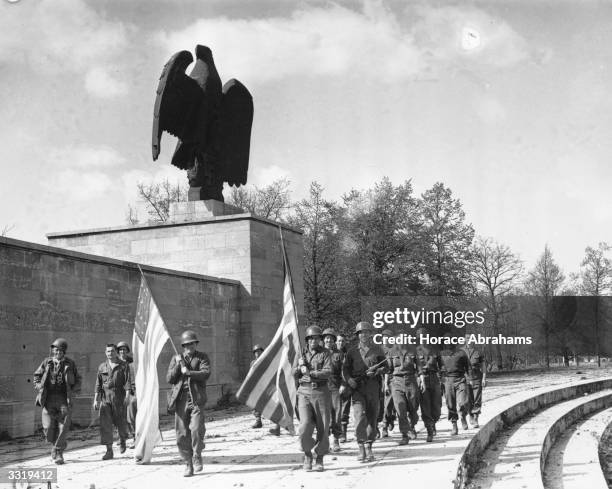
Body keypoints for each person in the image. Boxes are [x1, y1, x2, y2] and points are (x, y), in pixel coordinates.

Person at [166, 330, 211, 477]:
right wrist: (179, 366)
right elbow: (169, 379)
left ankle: (197, 455)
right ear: (183, 345)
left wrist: (189, 372)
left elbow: (206, 373)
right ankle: (188, 463)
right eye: (186, 344)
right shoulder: (176, 358)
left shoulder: (202, 357)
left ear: (195, 344)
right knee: (181, 434)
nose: (189, 346)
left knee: (196, 429)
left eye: (192, 343)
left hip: (196, 398)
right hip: (180, 399)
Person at [342, 321, 387, 462]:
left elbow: (386, 367)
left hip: (373, 388)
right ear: (358, 335)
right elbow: (345, 369)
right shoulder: (352, 351)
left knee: (372, 418)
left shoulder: (378, 350)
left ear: (370, 334)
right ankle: (361, 446)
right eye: (361, 333)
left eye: (366, 332)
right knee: (359, 417)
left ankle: (369, 446)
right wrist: (349, 380)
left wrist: (377, 371)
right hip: (358, 389)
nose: (364, 335)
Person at [33, 338, 82, 465]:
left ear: (64, 352)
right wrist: (39, 387)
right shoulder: (46, 362)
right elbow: (36, 376)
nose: (57, 352)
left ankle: (59, 451)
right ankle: (54, 445)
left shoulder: (70, 364)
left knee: (63, 426)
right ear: (52, 351)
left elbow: (78, 379)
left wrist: (74, 391)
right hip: (48, 398)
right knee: (48, 427)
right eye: (55, 350)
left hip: (63, 398)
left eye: (60, 350)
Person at [294, 325, 331, 471]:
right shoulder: (301, 353)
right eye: (311, 338)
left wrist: (311, 373)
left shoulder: (325, 353)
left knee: (323, 426)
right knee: (304, 425)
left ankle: (320, 457)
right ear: (307, 340)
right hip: (304, 392)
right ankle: (308, 454)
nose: (313, 341)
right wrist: (299, 368)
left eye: (316, 338)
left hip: (321, 392)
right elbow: (292, 372)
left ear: (320, 340)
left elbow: (328, 371)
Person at [93, 344, 131, 460]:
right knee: (105, 425)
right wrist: (96, 399)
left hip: (119, 396)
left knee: (121, 423)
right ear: (105, 353)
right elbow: (98, 384)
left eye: (112, 351)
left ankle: (123, 439)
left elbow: (128, 381)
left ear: (116, 352)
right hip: (106, 398)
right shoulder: (102, 367)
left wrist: (128, 395)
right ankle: (109, 451)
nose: (110, 353)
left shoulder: (123, 365)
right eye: (108, 351)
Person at [387, 333, 420, 445]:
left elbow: (419, 368)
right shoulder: (391, 352)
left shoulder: (413, 351)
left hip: (411, 380)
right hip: (396, 381)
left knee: (413, 407)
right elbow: (388, 369)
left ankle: (412, 425)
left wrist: (421, 379)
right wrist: (386, 384)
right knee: (400, 407)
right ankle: (404, 435)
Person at [415, 327, 443, 442]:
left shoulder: (435, 350)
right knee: (425, 406)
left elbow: (441, 366)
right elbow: (413, 368)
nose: (423, 339)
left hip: (434, 379)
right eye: (420, 337)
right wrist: (418, 379)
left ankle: (434, 421)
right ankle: (429, 430)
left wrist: (442, 379)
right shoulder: (415, 351)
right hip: (422, 380)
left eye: (425, 336)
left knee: (437, 406)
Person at [439, 334, 470, 435]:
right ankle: (454, 425)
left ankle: (463, 416)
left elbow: (468, 366)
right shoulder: (441, 354)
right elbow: (437, 367)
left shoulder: (461, 353)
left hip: (460, 378)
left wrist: (470, 378)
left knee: (463, 402)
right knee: (450, 404)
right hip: (447, 380)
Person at [322, 328, 344, 452]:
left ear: (334, 340)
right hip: (322, 388)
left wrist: (343, 384)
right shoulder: (320, 353)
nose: (328, 340)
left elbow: (344, 371)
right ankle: (324, 439)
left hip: (335, 387)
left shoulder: (339, 354)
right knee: (324, 415)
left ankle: (335, 439)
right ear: (323, 339)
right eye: (326, 338)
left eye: (330, 338)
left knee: (336, 414)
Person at [463, 333, 487, 428]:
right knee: (468, 399)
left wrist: (484, 378)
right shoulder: (461, 351)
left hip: (477, 377)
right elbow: (460, 367)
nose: (469, 339)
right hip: (465, 378)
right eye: (467, 338)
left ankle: (476, 417)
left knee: (477, 398)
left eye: (471, 338)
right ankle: (470, 415)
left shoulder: (478, 351)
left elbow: (483, 366)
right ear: (464, 339)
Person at [116, 341, 137, 448]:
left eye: (124, 349)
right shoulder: (115, 363)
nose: (122, 351)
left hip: (130, 391)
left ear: (127, 351)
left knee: (130, 416)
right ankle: (122, 437)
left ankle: (135, 437)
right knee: (119, 416)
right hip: (119, 392)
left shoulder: (131, 363)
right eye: (120, 350)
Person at [379, 329, 396, 438]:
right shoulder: (379, 350)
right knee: (384, 404)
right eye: (384, 337)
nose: (386, 339)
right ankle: (385, 423)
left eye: (388, 337)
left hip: (393, 378)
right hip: (381, 379)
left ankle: (389, 421)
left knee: (392, 403)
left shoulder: (395, 349)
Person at [336, 333, 351, 443]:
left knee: (344, 410)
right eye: (339, 341)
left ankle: (343, 433)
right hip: (332, 385)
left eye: (342, 341)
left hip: (345, 385)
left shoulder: (348, 354)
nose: (340, 343)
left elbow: (348, 371)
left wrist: (345, 384)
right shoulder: (329, 353)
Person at [250, 344, 265, 429]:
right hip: (256, 386)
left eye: (259, 351)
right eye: (256, 352)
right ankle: (258, 420)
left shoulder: (267, 362)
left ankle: (278, 423)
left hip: (265, 385)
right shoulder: (252, 363)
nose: (257, 353)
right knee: (254, 404)